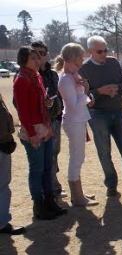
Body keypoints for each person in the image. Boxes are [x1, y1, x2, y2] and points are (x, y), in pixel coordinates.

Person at [79, 35, 122, 197]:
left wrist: (116, 88)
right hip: (98, 115)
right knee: (104, 152)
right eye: (100, 51)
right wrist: (100, 92)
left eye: (105, 50)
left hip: (118, 112)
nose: (104, 54)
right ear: (90, 52)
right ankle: (111, 185)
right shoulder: (84, 69)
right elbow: (83, 96)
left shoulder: (113, 63)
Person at [13, 46, 62, 219]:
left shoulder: (37, 76)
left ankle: (50, 202)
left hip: (45, 126)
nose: (37, 60)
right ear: (23, 60)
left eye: (38, 57)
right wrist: (32, 134)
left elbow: (39, 101)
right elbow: (23, 110)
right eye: (33, 58)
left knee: (47, 167)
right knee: (37, 169)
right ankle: (39, 206)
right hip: (33, 130)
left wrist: (47, 102)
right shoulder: (21, 79)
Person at [56, 43, 99, 207]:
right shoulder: (66, 79)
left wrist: (88, 98)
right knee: (76, 158)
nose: (83, 60)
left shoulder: (73, 75)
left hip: (78, 120)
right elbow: (73, 105)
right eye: (80, 57)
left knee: (78, 157)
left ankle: (78, 193)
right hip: (74, 121)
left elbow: (78, 100)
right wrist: (86, 91)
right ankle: (77, 196)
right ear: (73, 58)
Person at [31, 41, 65, 198]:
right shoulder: (28, 75)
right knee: (42, 159)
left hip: (55, 119)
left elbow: (57, 95)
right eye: (35, 53)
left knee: (54, 154)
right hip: (39, 123)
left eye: (42, 53)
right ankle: (47, 190)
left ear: (47, 54)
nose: (39, 57)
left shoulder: (52, 74)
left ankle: (53, 184)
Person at [0, 92, 26, 234]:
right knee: (3, 186)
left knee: (3, 186)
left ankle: (2, 222)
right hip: (2, 146)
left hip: (3, 146)